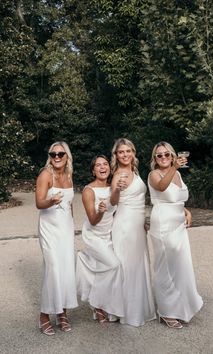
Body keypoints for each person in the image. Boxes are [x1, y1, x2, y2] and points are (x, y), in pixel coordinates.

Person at [148, 141, 203, 329]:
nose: (163, 158)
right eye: (159, 155)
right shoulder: (154, 174)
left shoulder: (178, 173)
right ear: (155, 159)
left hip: (178, 224)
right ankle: (166, 311)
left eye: (167, 154)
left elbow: (177, 198)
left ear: (172, 156)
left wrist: (187, 211)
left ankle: (181, 307)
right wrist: (174, 167)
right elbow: (162, 188)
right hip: (163, 224)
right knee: (165, 267)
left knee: (180, 266)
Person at [110, 138, 156, 327]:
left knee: (138, 265)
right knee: (128, 266)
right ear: (116, 155)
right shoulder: (118, 175)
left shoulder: (134, 171)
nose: (125, 154)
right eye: (121, 152)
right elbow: (113, 201)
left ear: (133, 153)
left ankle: (137, 307)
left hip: (137, 225)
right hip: (125, 226)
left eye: (128, 151)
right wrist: (116, 191)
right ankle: (128, 311)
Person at [36, 141, 78, 336]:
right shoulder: (46, 175)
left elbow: (70, 204)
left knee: (67, 269)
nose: (57, 157)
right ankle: (44, 315)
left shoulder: (69, 176)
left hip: (66, 228)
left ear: (67, 156)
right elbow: (38, 202)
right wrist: (50, 201)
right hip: (49, 228)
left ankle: (62, 313)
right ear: (50, 156)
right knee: (53, 269)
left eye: (61, 153)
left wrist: (72, 225)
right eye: (53, 154)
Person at [76, 155, 124, 323]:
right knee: (114, 265)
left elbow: (119, 212)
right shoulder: (89, 190)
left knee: (107, 268)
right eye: (98, 165)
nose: (102, 167)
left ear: (109, 168)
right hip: (94, 235)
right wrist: (101, 211)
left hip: (109, 235)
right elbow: (93, 220)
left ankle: (105, 305)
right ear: (93, 170)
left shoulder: (113, 188)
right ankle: (96, 304)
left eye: (105, 164)